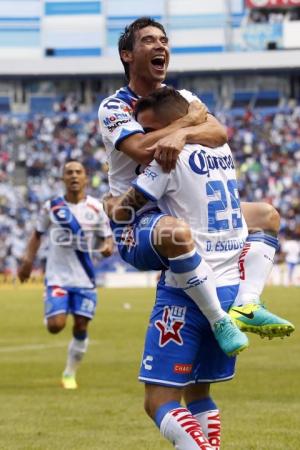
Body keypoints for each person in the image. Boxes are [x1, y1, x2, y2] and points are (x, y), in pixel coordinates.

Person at [106, 87, 294, 449]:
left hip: (188, 288)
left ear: (170, 127)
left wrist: (112, 207)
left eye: (150, 129)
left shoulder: (167, 157)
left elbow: (127, 210)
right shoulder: (220, 148)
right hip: (229, 286)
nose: (147, 140)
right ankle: (250, 301)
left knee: (158, 401)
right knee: (197, 392)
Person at [98, 16, 293, 346]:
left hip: (186, 207)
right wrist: (189, 122)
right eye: (148, 40)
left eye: (163, 40)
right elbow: (143, 150)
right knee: (175, 231)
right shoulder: (115, 107)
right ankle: (219, 320)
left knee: (266, 216)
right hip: (138, 217)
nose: (160, 45)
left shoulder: (182, 95)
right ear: (127, 54)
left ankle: (248, 303)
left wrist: (184, 131)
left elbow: (218, 133)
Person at [18, 160, 114, 389]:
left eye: (78, 172)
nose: (73, 176)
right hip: (57, 276)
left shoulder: (96, 208)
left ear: (85, 178)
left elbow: (106, 237)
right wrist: (27, 261)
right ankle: (52, 308)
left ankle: (69, 374)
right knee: (55, 326)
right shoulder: (52, 207)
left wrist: (107, 246)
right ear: (62, 178)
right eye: (68, 172)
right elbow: (37, 235)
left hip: (85, 278)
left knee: (81, 326)